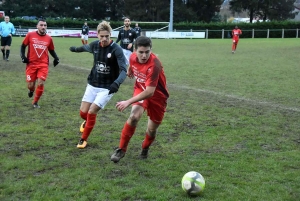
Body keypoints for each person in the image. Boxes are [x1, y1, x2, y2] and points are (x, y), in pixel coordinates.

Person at [69, 21, 127, 149]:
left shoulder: (116, 49)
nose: (105, 39)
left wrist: (116, 83)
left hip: (107, 87)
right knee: (83, 113)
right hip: (93, 83)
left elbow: (124, 70)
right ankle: (87, 122)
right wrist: (75, 49)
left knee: (92, 111)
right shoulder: (95, 45)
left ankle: (83, 139)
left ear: (110, 35)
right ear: (97, 35)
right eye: (102, 36)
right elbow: (85, 48)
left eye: (107, 36)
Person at [111, 36, 169, 163]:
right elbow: (132, 63)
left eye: (147, 52)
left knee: (152, 129)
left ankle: (145, 147)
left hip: (157, 97)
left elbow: (150, 92)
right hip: (140, 89)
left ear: (151, 50)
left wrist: (128, 101)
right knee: (133, 117)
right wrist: (130, 69)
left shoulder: (154, 65)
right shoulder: (132, 57)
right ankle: (121, 149)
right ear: (135, 50)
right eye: (141, 52)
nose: (144, 55)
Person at [20, 18, 60, 108]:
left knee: (41, 83)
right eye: (41, 25)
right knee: (30, 85)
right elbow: (23, 46)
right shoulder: (30, 35)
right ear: (37, 26)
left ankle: (35, 102)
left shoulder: (49, 38)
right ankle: (31, 90)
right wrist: (23, 57)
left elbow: (51, 50)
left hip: (43, 64)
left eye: (45, 25)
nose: (43, 27)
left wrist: (56, 58)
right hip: (31, 64)